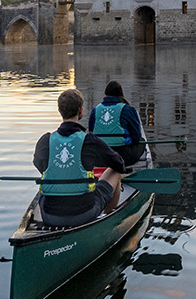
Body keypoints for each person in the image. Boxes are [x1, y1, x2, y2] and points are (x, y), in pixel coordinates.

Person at [32, 88, 126, 227]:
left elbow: (38, 164)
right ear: (80, 110)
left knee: (46, 179)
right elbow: (119, 164)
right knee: (115, 172)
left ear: (59, 111)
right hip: (84, 213)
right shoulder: (90, 140)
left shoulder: (45, 140)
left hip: (50, 215)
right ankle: (108, 220)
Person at [90, 80, 147, 166]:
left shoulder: (95, 110)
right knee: (142, 141)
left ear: (105, 93)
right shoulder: (128, 109)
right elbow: (136, 136)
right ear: (121, 93)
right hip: (123, 156)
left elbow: (91, 133)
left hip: (100, 157)